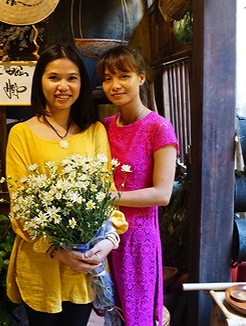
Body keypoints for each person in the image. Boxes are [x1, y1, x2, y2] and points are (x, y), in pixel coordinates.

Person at [5, 43, 128, 326]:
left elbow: (105, 194)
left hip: (83, 264)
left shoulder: (94, 131)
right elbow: (20, 206)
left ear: (81, 84)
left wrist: (109, 241)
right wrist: (58, 251)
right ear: (40, 82)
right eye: (54, 77)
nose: (63, 86)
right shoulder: (21, 134)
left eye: (72, 78)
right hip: (41, 265)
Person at [95, 44, 179, 326]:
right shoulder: (104, 126)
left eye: (124, 76)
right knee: (110, 311)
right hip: (103, 233)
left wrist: (109, 197)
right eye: (107, 78)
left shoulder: (159, 128)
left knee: (137, 315)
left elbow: (162, 194)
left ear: (141, 77)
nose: (115, 85)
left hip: (138, 239)